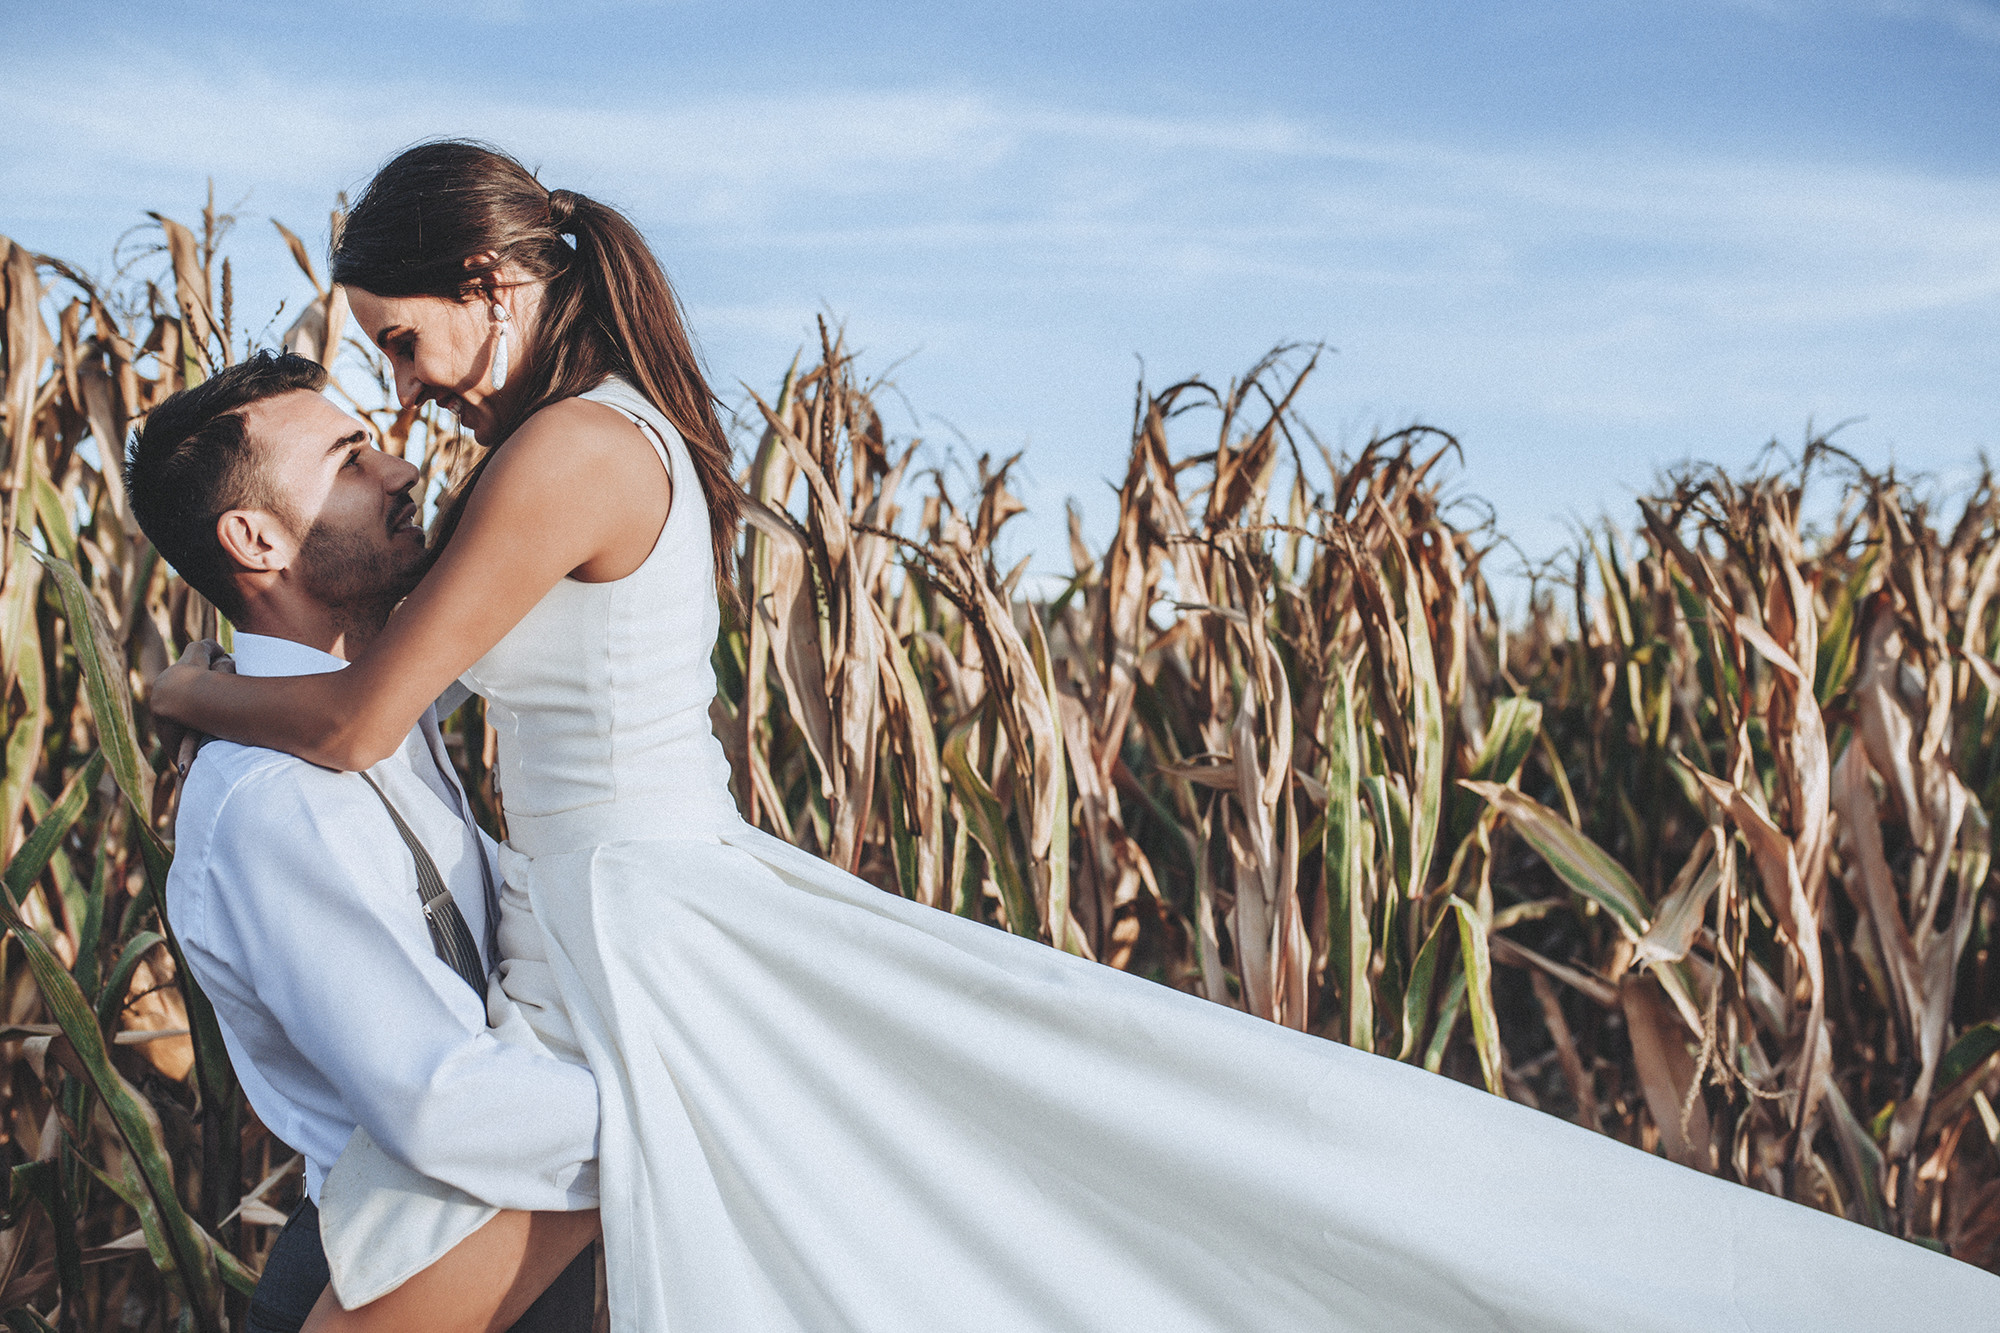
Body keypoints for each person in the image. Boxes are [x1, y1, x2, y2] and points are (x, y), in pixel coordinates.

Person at [151, 140, 1998, 1331]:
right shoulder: (591, 430)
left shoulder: (565, 449)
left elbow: (376, 704)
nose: (405, 389)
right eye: (380, 375)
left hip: (640, 921)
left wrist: (163, 686)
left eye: (403, 344)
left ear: (489, 287)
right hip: (612, 921)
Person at [129, 353, 601, 1332]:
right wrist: (695, 1102)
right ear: (255, 538)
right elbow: (443, 1103)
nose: (399, 470)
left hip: (494, 1227)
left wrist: (188, 682)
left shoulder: (378, 701)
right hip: (399, 1269)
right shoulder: (275, 800)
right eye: (349, 461)